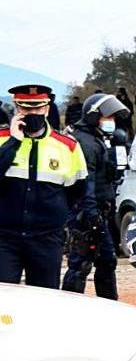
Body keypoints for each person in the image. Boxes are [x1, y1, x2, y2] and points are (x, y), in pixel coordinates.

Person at [0, 84, 91, 289]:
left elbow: (78, 191)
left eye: (37, 108)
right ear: (16, 108)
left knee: (44, 301)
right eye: (26, 108)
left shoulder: (68, 146)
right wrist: (13, 142)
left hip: (46, 240)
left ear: (47, 109)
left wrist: (54, 215)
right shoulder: (2, 140)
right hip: (4, 239)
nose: (32, 113)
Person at [62, 93, 130, 300]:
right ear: (93, 116)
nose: (111, 122)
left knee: (106, 260)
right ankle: (69, 308)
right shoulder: (87, 143)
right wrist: (91, 214)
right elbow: (87, 183)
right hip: (88, 213)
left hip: (98, 210)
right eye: (107, 117)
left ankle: (109, 307)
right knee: (80, 263)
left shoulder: (97, 139)